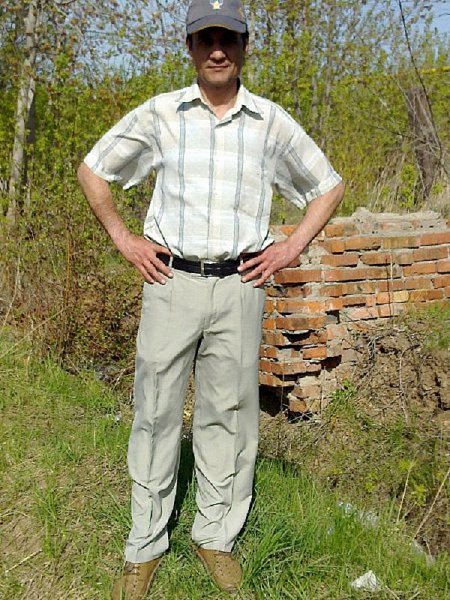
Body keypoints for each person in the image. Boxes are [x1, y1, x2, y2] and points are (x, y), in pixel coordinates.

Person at [77, 1, 344, 597]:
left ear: (245, 46)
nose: (217, 49)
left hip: (240, 287)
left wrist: (290, 247)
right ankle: (145, 545)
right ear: (190, 47)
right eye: (206, 38)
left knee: (230, 414)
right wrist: (123, 237)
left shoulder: (271, 123)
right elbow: (94, 169)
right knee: (155, 412)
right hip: (170, 282)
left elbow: (327, 186)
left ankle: (215, 537)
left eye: (228, 38)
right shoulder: (161, 114)